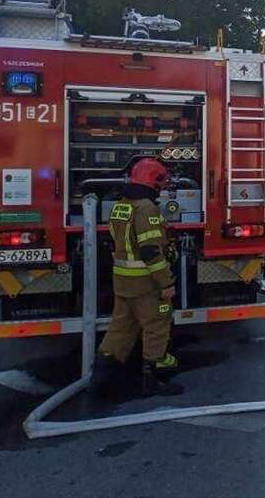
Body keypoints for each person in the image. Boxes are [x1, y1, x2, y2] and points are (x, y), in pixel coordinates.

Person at [96, 158, 182, 396]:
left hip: (123, 282)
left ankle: (102, 377)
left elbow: (116, 238)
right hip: (146, 283)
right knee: (156, 325)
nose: (163, 187)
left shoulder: (120, 206)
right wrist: (166, 283)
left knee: (121, 327)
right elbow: (151, 251)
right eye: (161, 182)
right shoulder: (147, 208)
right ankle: (152, 380)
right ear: (152, 181)